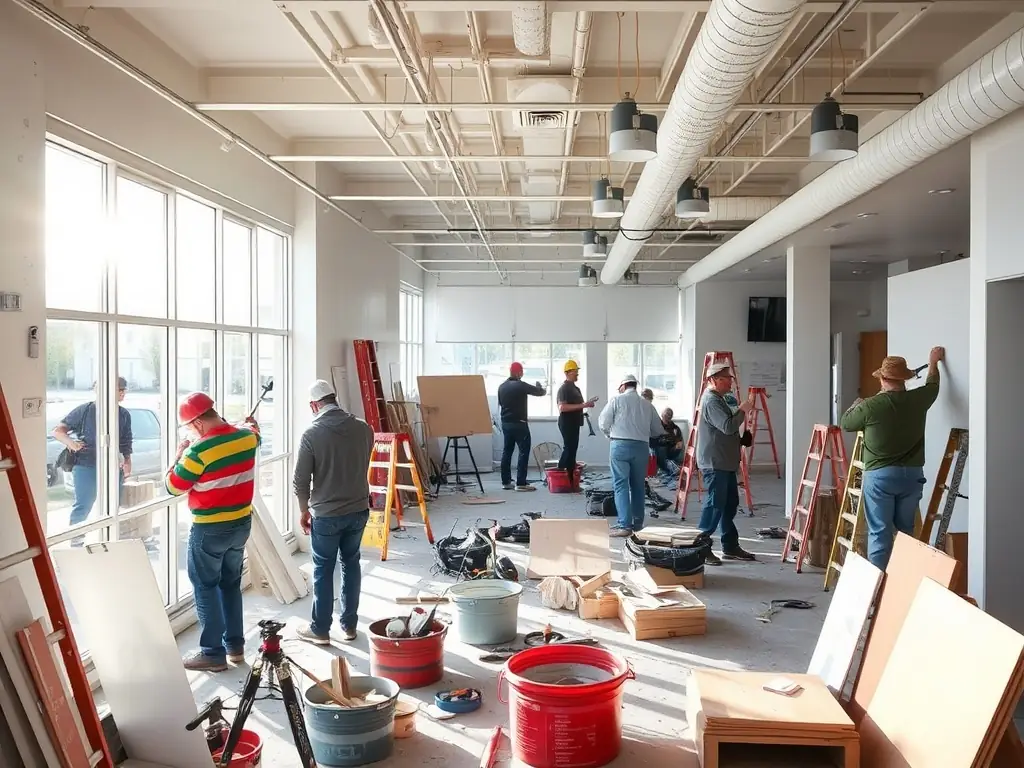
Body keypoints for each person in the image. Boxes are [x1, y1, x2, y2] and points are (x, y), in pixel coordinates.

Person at [166, 392, 260, 672]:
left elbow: (173, 486)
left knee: (206, 587)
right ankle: (235, 646)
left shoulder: (198, 452)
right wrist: (250, 423)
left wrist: (177, 455)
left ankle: (212, 653)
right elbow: (255, 432)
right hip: (241, 525)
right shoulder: (246, 439)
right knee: (230, 584)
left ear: (196, 425)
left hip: (209, 530)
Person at [840, 348, 944, 570]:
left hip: (880, 477)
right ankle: (901, 585)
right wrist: (933, 363)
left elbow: (846, 423)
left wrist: (857, 404)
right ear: (904, 380)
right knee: (906, 532)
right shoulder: (919, 400)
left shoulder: (870, 406)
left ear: (883, 379)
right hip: (912, 476)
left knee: (880, 532)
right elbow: (933, 387)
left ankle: (877, 591)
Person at [293, 380, 374, 646]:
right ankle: (349, 626)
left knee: (323, 570)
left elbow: (301, 481)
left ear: (314, 405)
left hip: (326, 515)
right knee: (351, 564)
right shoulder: (364, 429)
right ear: (334, 399)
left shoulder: (312, 434)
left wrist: (304, 510)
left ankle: (320, 630)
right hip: (358, 509)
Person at [52, 376, 133, 542]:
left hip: (112, 466)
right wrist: (72, 444)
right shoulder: (85, 410)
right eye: (120, 389)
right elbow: (58, 431)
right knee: (84, 504)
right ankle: (76, 540)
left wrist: (127, 461)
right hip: (85, 465)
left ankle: (109, 539)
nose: (123, 393)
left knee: (112, 505)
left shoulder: (123, 414)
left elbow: (126, 440)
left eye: (124, 389)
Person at [697, 363, 757, 564]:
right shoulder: (711, 401)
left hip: (725, 462)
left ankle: (730, 545)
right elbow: (727, 425)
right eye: (726, 378)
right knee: (715, 505)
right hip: (716, 463)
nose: (731, 380)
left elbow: (724, 430)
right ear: (714, 380)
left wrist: (740, 440)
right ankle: (700, 546)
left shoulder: (720, 400)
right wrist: (742, 410)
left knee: (729, 505)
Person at [598, 374, 664, 537]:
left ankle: (624, 525)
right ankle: (638, 524)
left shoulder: (616, 400)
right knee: (638, 485)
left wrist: (609, 435)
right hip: (641, 447)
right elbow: (657, 430)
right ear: (635, 386)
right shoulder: (647, 404)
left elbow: (603, 423)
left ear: (622, 386)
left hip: (619, 445)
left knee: (621, 485)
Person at [497, 362, 546, 491]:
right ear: (519, 372)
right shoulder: (521, 385)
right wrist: (540, 387)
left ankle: (506, 482)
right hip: (520, 424)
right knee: (523, 452)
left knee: (507, 451)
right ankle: (521, 483)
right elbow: (540, 392)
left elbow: (501, 403)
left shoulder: (501, 387)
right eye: (522, 371)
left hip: (506, 424)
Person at [555, 359, 598, 491]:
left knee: (572, 450)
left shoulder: (575, 388)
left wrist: (586, 404)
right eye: (575, 371)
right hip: (567, 423)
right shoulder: (564, 389)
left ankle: (570, 479)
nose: (577, 374)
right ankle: (562, 476)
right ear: (568, 372)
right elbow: (562, 407)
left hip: (574, 423)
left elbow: (577, 405)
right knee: (569, 449)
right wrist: (584, 405)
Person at [652, 407, 684, 482]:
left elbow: (679, 440)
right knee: (661, 449)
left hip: (671, 449)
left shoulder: (675, 428)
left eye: (670, 414)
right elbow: (653, 440)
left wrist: (678, 444)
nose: (669, 416)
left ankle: (671, 468)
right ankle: (670, 469)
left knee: (678, 447)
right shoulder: (656, 426)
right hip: (660, 449)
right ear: (662, 414)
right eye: (667, 413)